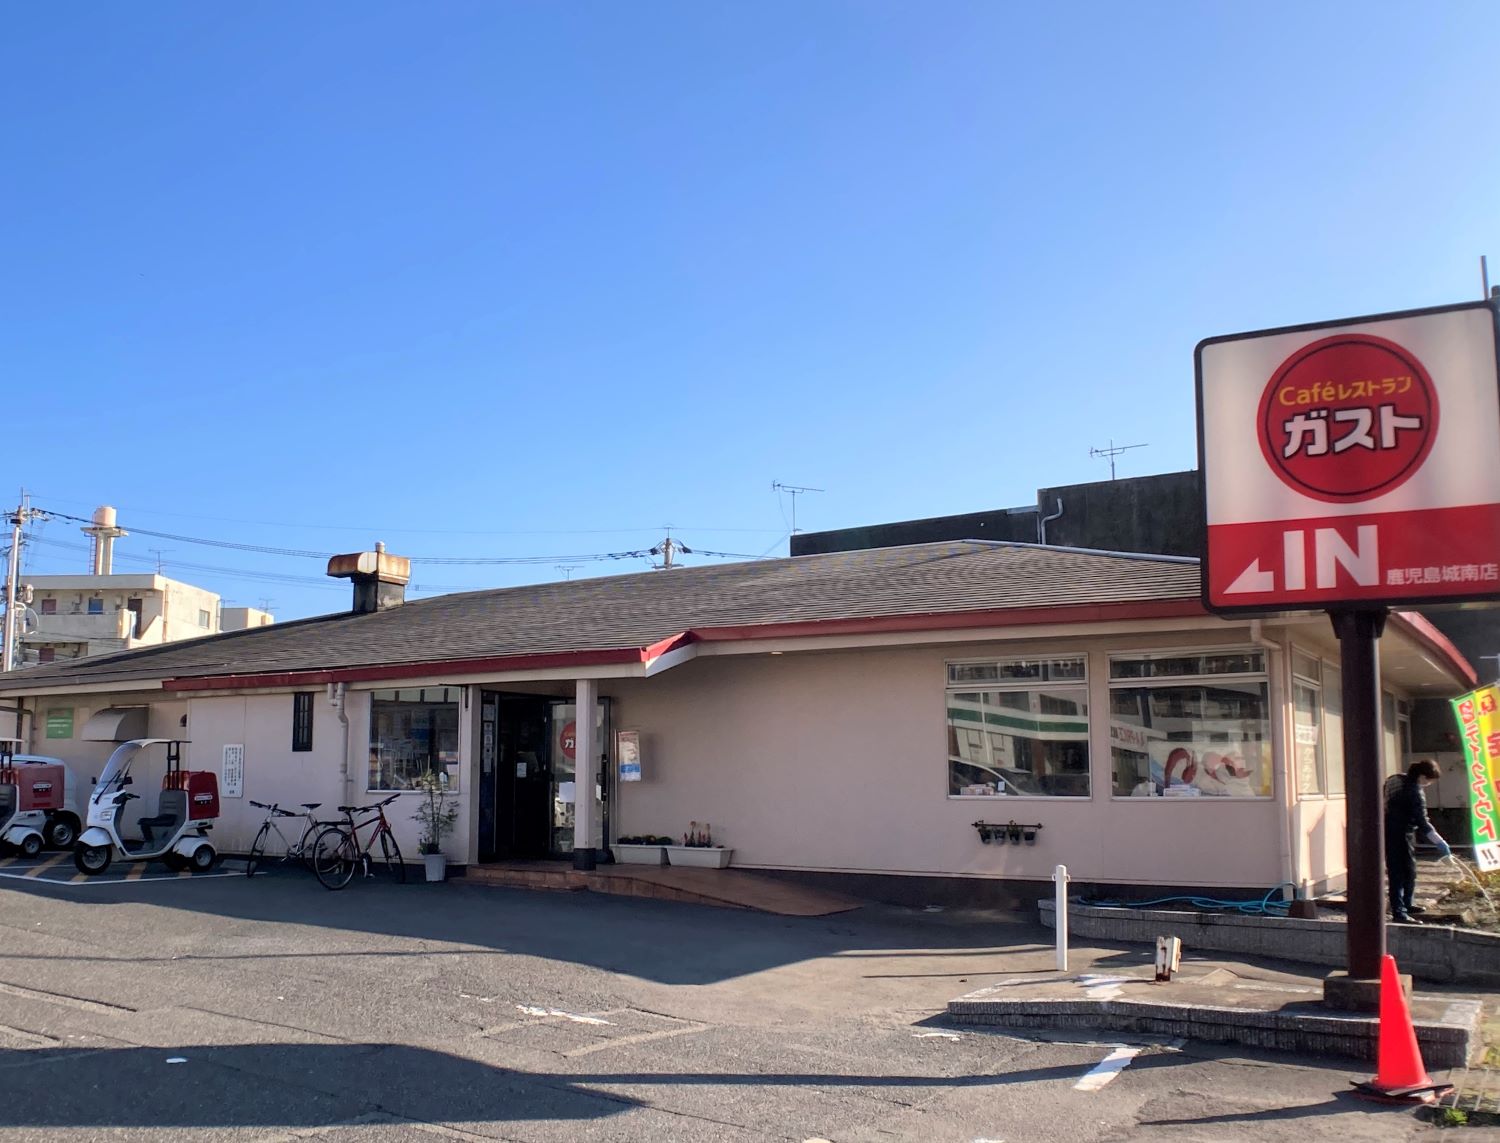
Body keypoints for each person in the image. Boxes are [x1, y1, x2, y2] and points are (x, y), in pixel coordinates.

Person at [1384, 759, 1451, 924]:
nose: (1429, 784)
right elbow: (1422, 821)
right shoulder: (1414, 791)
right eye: (1429, 780)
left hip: (1393, 830)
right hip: (1400, 833)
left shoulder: (1398, 780)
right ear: (1422, 776)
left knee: (1408, 870)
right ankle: (1399, 912)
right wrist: (1439, 841)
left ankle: (1407, 904)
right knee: (1400, 872)